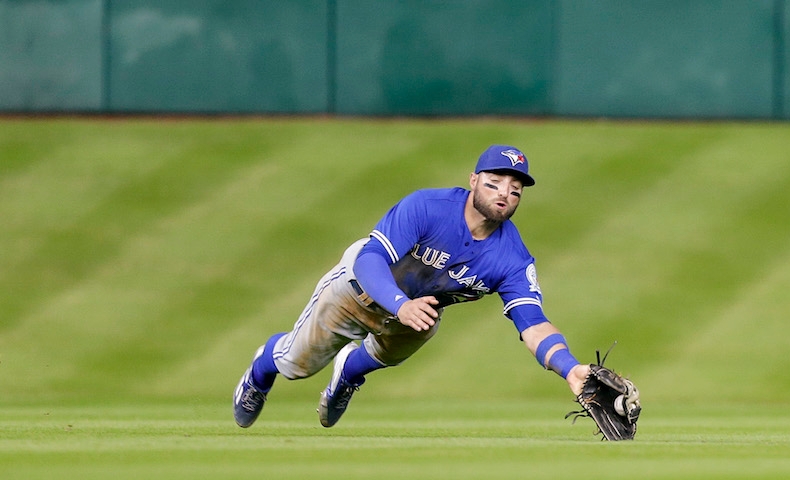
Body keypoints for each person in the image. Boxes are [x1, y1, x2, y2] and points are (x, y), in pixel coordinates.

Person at [233, 145, 596, 429]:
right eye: (494, 183)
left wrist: (571, 369)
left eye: (515, 190)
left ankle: (349, 374)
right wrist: (399, 303)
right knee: (296, 364)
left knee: (412, 333)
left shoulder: (512, 258)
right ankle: (261, 372)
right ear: (473, 180)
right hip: (357, 289)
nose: (504, 194)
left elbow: (532, 323)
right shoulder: (428, 207)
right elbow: (370, 258)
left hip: (416, 313)